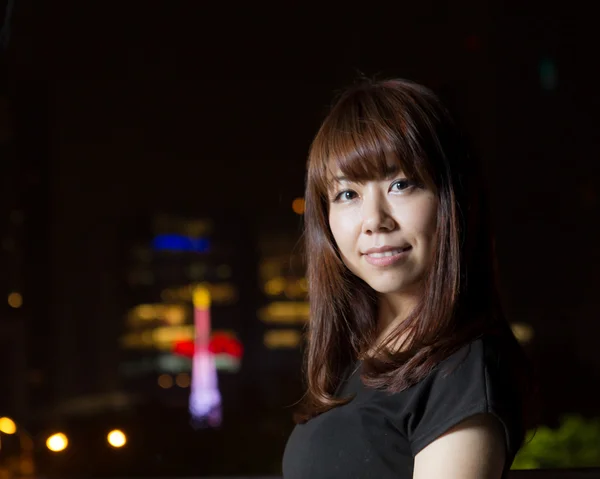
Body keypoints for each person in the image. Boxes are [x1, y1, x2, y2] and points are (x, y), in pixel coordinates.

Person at [282, 78, 532, 478]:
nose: (374, 221)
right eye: (347, 194)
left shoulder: (462, 370)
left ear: (451, 200)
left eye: (401, 184)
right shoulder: (356, 359)